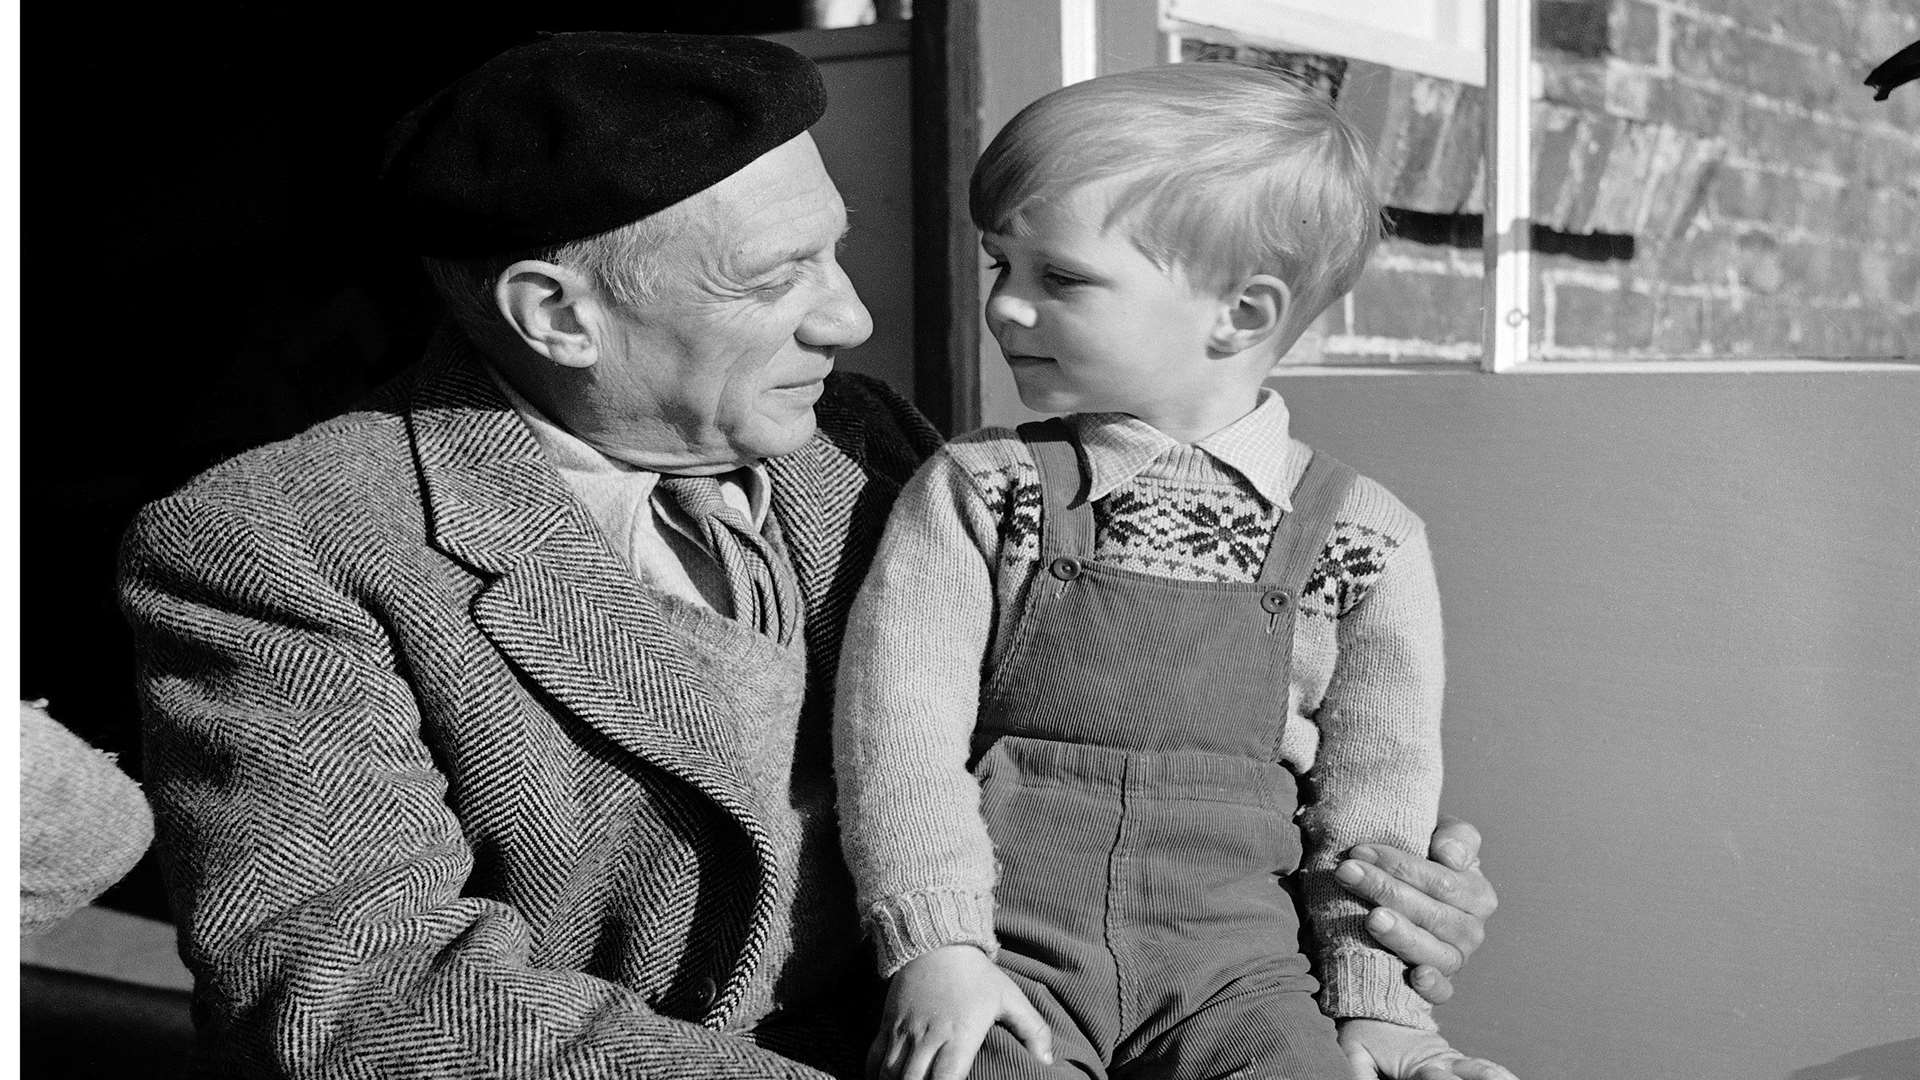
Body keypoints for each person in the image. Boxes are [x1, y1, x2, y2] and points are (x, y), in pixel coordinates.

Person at [118, 33, 1498, 1079]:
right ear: (558, 313)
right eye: (775, 279)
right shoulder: (281, 541)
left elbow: (1124, 734)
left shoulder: (872, 445)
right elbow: (346, 986)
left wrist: (1362, 902)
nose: (849, 319)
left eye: (834, 255)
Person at [834, 62, 1513, 1080]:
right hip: (1009, 957)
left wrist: (1380, 1010)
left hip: (1241, 974)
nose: (1008, 309)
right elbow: (897, 737)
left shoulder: (1366, 541)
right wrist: (938, 950)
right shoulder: (979, 491)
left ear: (1239, 314)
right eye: (998, 267)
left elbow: (1375, 808)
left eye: (1058, 277)